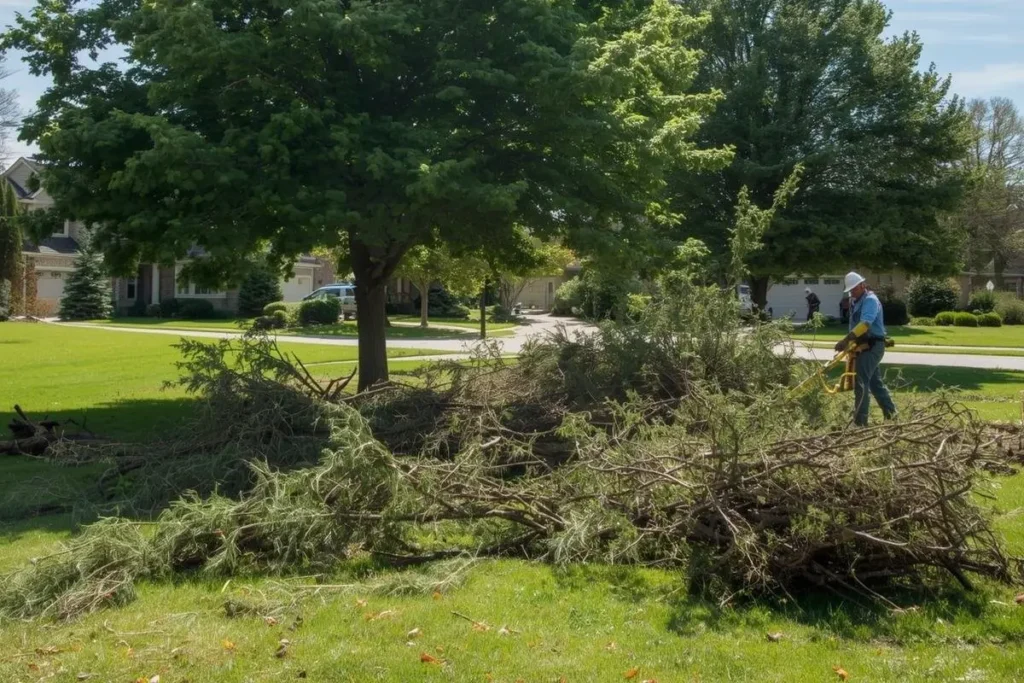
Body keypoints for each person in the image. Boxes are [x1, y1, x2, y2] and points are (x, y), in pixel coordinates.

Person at [834, 272, 896, 427]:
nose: (852, 292)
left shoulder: (870, 300)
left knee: (861, 383)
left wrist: (846, 339)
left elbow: (866, 324)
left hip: (873, 346)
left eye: (854, 289)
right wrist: (849, 345)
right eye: (850, 290)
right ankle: (892, 416)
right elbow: (854, 327)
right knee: (875, 384)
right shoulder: (856, 301)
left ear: (862, 285)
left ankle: (860, 423)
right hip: (863, 347)